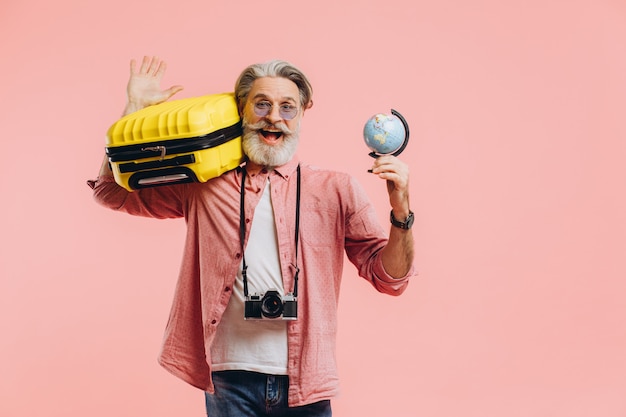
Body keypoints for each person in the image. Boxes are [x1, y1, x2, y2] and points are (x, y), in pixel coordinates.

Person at [89, 56, 416, 416]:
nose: (273, 116)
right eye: (262, 104)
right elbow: (111, 192)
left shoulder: (335, 189)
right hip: (230, 379)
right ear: (242, 110)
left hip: (306, 380)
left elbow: (390, 279)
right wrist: (132, 111)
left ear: (303, 114)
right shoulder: (204, 184)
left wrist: (401, 212)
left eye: (287, 107)